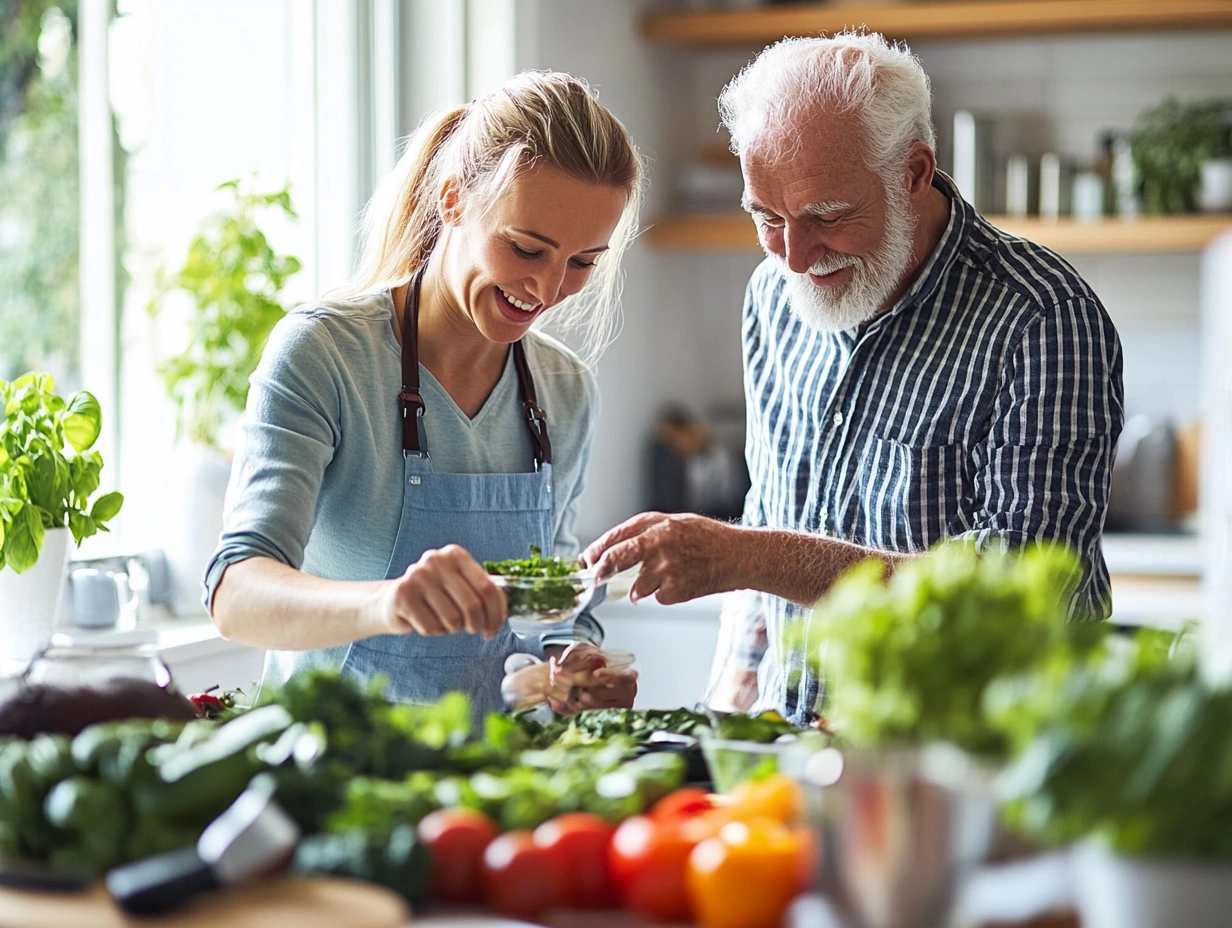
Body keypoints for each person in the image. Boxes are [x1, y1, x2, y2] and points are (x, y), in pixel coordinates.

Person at [583, 33, 1124, 724]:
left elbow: (1029, 590)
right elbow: (770, 516)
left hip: (969, 771)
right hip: (788, 755)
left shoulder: (1042, 318)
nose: (796, 257)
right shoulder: (772, 297)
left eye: (826, 218)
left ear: (914, 172)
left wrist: (750, 557)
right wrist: (729, 712)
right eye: (765, 218)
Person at [205, 71, 644, 718]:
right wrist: (388, 604)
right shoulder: (326, 355)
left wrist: (573, 665)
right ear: (452, 202)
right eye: (527, 248)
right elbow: (236, 595)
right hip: (331, 768)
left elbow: (553, 609)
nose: (549, 289)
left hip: (493, 782)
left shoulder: (565, 392)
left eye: (582, 262)